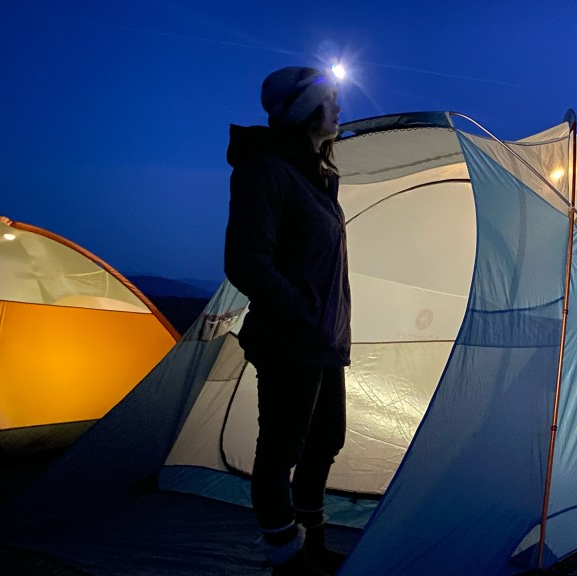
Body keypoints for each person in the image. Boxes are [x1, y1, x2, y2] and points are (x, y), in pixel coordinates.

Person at [224, 66, 349, 576]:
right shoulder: (267, 170)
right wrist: (301, 310)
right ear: (308, 110)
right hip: (289, 339)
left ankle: (312, 542)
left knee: (326, 441)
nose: (339, 109)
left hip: (322, 340)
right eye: (332, 100)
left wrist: (325, 323)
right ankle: (287, 558)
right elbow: (246, 261)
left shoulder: (317, 175)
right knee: (279, 455)